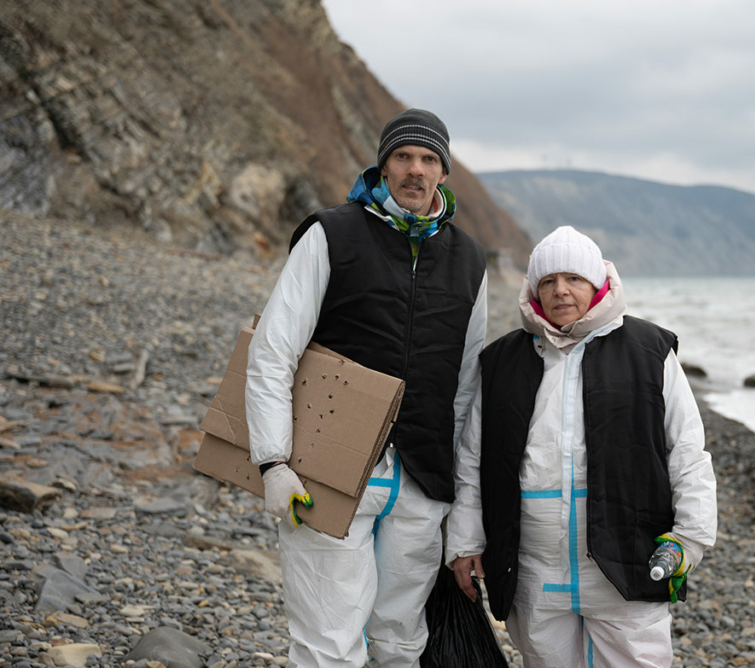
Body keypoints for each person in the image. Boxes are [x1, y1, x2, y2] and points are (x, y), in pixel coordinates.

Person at [245, 108, 488, 667]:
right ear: (382, 164)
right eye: (403, 156)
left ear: (444, 174)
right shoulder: (332, 233)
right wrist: (272, 462)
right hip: (325, 471)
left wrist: (462, 498)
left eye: (429, 160)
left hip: (422, 481)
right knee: (328, 643)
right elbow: (273, 351)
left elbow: (467, 384)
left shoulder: (470, 259)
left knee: (403, 641)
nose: (415, 170)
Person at [447, 226, 716, 668]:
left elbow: (687, 449)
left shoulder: (649, 351)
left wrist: (691, 537)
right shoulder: (502, 361)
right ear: (534, 290)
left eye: (574, 278)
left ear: (597, 283)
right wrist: (464, 540)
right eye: (548, 281)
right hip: (533, 568)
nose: (561, 291)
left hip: (625, 562)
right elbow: (474, 458)